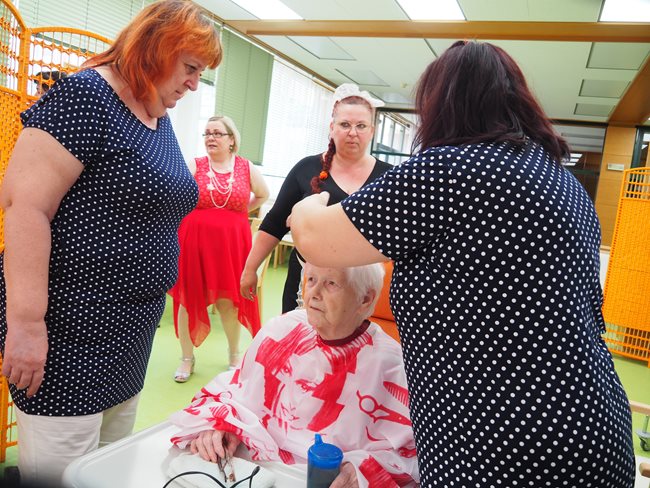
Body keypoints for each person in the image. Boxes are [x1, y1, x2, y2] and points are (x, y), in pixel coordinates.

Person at [289, 41, 635, 487]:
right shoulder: (563, 181)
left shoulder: (448, 171)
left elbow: (315, 239)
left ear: (441, 104)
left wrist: (311, 203)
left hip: (506, 447)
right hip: (595, 427)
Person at [0, 0, 221, 483]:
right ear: (157, 49)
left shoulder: (155, 114)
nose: (193, 84)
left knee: (108, 467)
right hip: (70, 332)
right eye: (190, 68)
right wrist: (26, 324)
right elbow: (24, 208)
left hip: (129, 334)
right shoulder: (86, 97)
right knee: (62, 472)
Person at [170, 262, 419, 488]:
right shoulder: (283, 328)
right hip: (247, 468)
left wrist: (362, 470)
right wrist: (224, 425)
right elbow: (237, 388)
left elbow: (413, 456)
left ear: (365, 299)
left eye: (331, 283)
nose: (313, 293)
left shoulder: (391, 365)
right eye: (311, 279)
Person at [240, 83, 392, 313]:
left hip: (363, 288)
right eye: (345, 124)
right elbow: (275, 223)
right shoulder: (306, 168)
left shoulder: (389, 177)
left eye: (361, 126)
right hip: (306, 282)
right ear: (332, 127)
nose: (353, 132)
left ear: (372, 131)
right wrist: (250, 269)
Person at [169, 115, 269, 380]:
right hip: (194, 243)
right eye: (207, 133)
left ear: (231, 139)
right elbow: (176, 195)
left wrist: (237, 213)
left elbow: (263, 194)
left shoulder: (246, 167)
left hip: (231, 245)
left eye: (217, 133)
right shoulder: (196, 164)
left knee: (229, 301)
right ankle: (186, 358)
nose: (210, 138)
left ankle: (234, 354)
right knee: (187, 301)